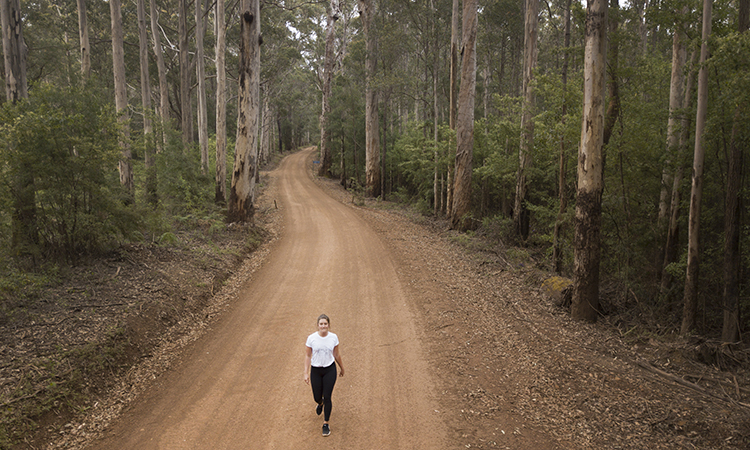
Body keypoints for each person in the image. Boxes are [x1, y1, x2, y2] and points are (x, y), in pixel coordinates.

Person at [303, 314, 345, 437]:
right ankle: (319, 403)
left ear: (328, 325)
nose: (323, 326)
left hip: (329, 370)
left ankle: (326, 423)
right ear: (317, 325)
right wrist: (305, 372)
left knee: (327, 396)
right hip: (316, 370)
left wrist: (342, 367)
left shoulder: (333, 338)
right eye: (321, 324)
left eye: (325, 324)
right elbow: (307, 355)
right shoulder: (311, 338)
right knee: (317, 396)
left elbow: (336, 354)